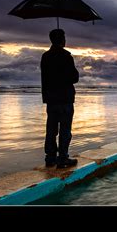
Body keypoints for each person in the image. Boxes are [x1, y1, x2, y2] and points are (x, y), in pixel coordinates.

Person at [41, 29, 79, 168]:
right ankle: (63, 158)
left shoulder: (45, 56)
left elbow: (45, 78)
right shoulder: (66, 56)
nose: (65, 39)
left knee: (51, 129)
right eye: (64, 37)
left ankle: (50, 158)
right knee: (65, 130)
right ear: (61, 39)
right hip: (64, 98)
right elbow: (74, 78)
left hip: (51, 99)